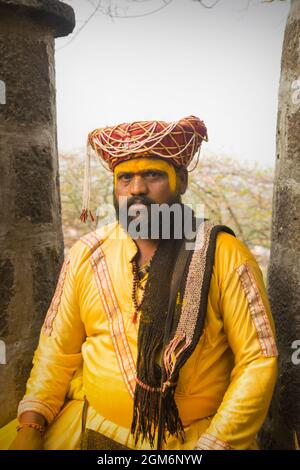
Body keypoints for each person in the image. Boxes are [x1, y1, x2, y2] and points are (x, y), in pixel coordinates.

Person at [0, 116, 278, 450]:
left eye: (153, 175)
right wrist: (31, 423)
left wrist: (214, 445)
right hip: (89, 422)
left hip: (192, 439)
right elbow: (57, 350)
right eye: (125, 178)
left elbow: (258, 360)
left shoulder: (224, 255)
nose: (137, 189)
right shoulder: (89, 253)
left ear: (181, 182)